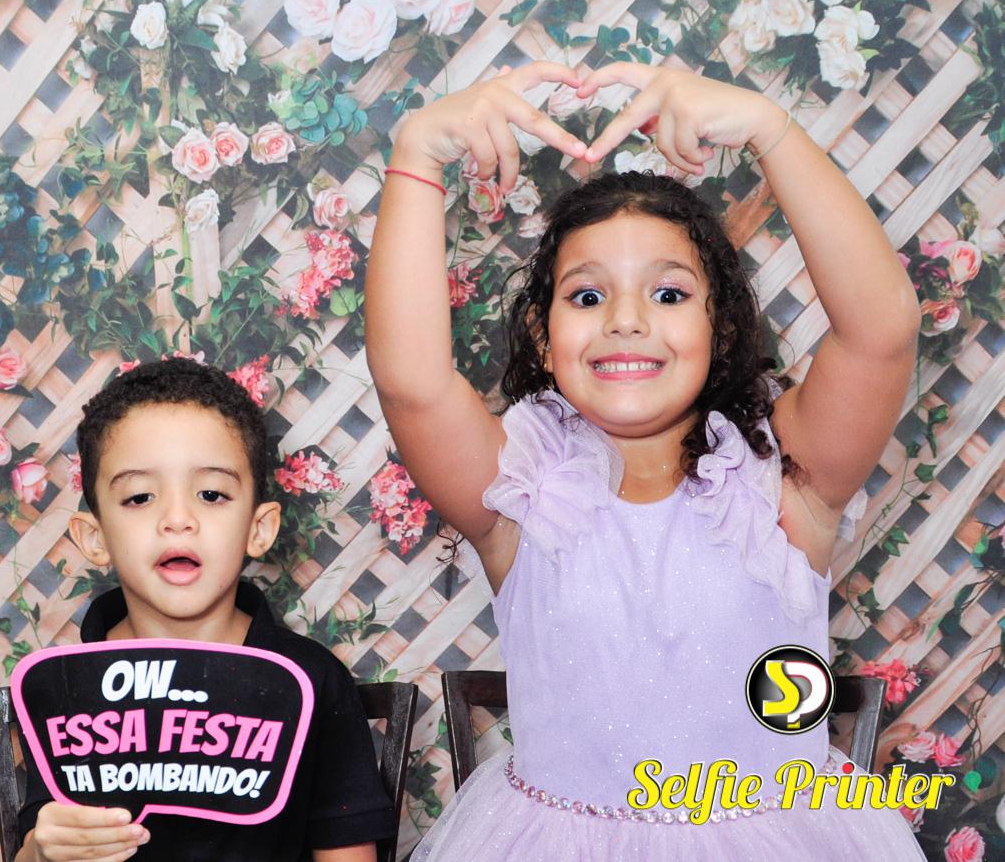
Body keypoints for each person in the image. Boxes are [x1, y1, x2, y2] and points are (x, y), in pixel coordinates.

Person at [366, 60, 926, 858]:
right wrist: (418, 152)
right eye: (587, 296)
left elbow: (880, 331)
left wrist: (770, 129)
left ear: (719, 328)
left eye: (668, 294)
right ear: (542, 337)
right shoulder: (518, 491)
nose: (626, 320)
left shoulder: (785, 477)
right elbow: (412, 383)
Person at [16, 357, 393, 862]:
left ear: (259, 528)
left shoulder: (311, 679)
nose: (178, 519)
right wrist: (41, 852)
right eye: (140, 497)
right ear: (95, 537)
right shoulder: (62, 686)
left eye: (211, 494)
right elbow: (36, 845)